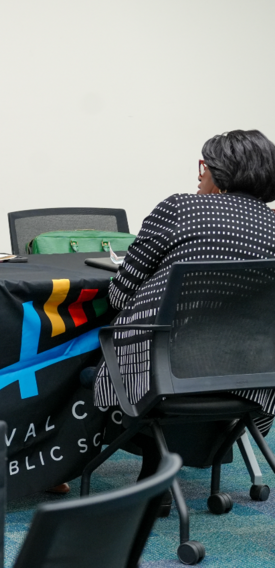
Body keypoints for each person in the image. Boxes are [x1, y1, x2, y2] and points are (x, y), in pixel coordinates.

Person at [94, 129, 275, 481]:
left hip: (165, 373)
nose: (199, 173)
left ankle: (64, 466)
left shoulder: (180, 208)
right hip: (249, 375)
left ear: (222, 172)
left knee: (92, 350)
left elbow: (119, 296)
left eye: (205, 165)